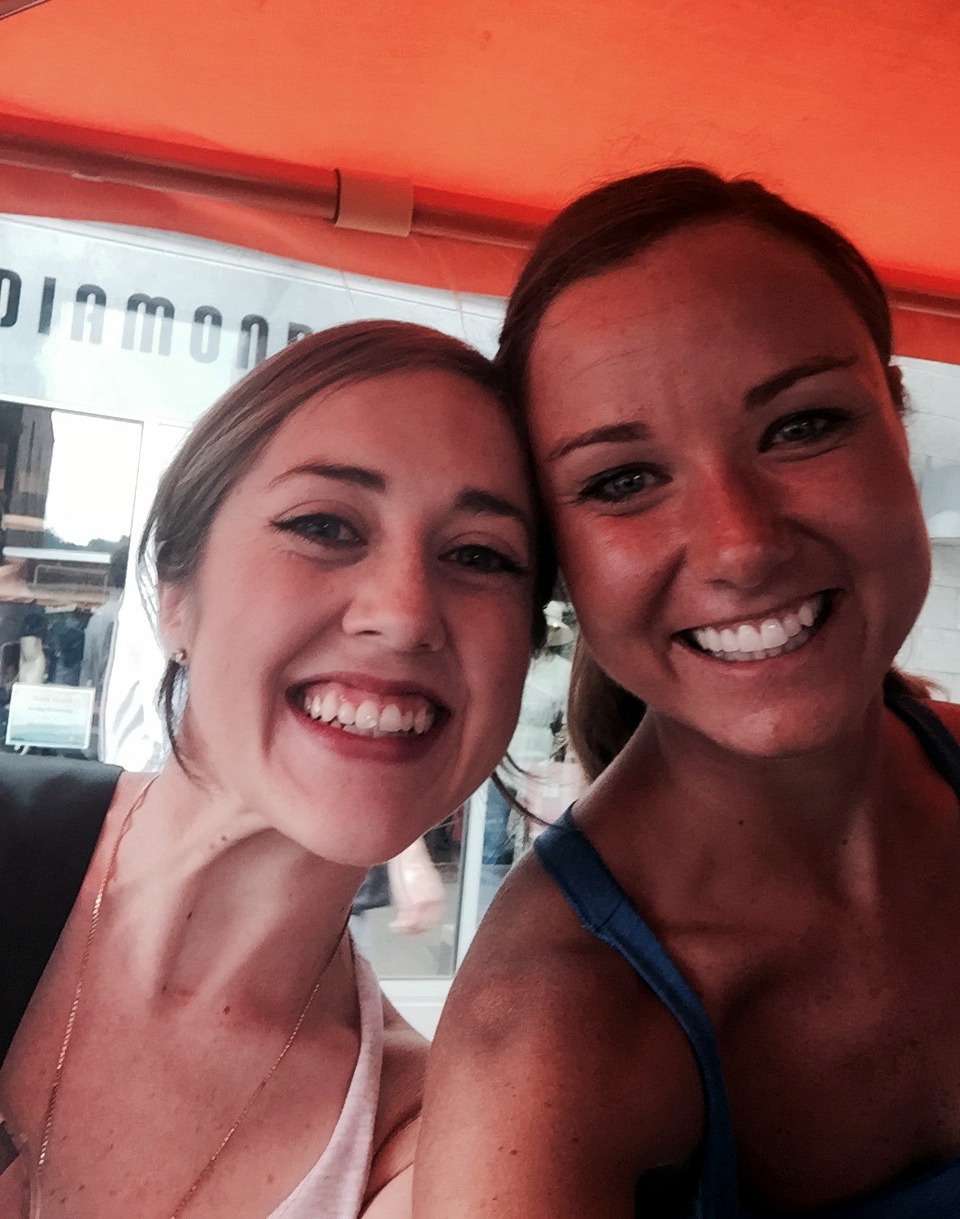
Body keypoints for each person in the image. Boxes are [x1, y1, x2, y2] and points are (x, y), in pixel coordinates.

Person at [414, 169, 960, 1217]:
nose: (741, 544)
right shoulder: (543, 1042)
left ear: (897, 419)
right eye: (622, 481)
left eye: (802, 425)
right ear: (559, 559)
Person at [0, 319, 555, 1219]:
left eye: (480, 556)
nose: (404, 614)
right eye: (324, 526)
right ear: (175, 594)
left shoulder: (429, 1149)